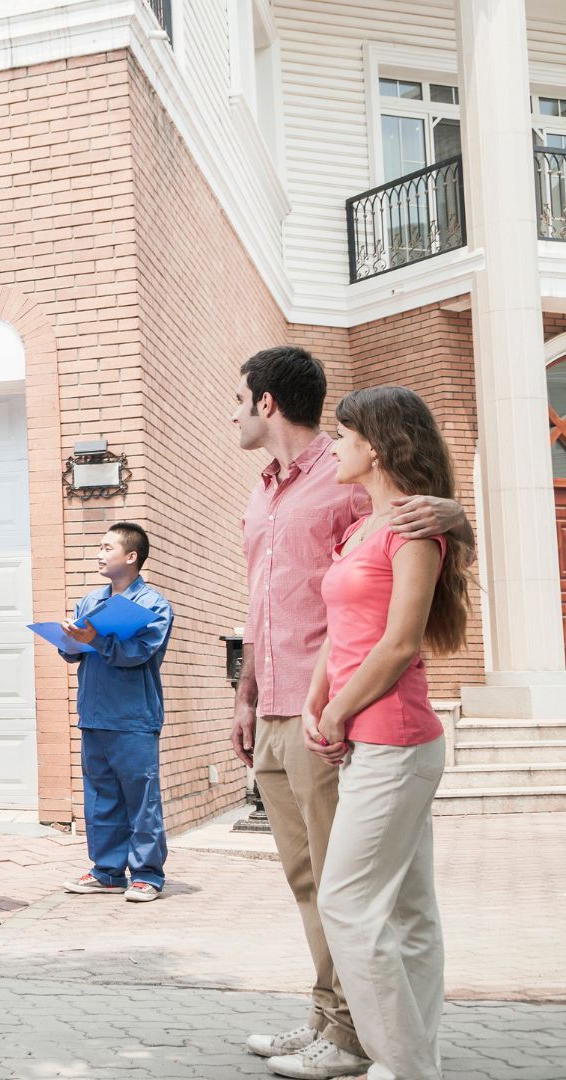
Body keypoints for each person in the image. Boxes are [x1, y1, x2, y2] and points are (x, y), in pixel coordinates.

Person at [228, 346, 470, 1080]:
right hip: (279, 704)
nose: (232, 412)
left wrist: (459, 517)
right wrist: (245, 694)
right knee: (312, 882)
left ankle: (356, 1037)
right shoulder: (263, 494)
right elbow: (267, 601)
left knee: (349, 893)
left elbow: (416, 537)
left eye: (238, 398)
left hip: (349, 714)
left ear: (267, 402)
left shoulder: (345, 481)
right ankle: (328, 1019)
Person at [304, 386, 470, 1080]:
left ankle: (402, 1067)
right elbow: (341, 633)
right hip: (366, 737)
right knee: (406, 911)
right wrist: (320, 697)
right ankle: (415, 1060)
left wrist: (340, 712)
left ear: (373, 445)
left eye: (340, 437)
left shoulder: (414, 529)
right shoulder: (359, 529)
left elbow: (400, 643)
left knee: (346, 901)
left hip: (395, 739)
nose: (332, 448)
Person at [55, 523, 174, 904]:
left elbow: (139, 654)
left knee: (141, 799)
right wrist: (70, 641)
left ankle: (147, 874)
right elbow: (73, 653)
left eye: (107, 547)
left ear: (131, 556)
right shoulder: (89, 602)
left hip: (133, 717)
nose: (99, 553)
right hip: (94, 714)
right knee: (101, 797)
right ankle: (107, 872)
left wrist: (97, 640)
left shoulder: (154, 605)